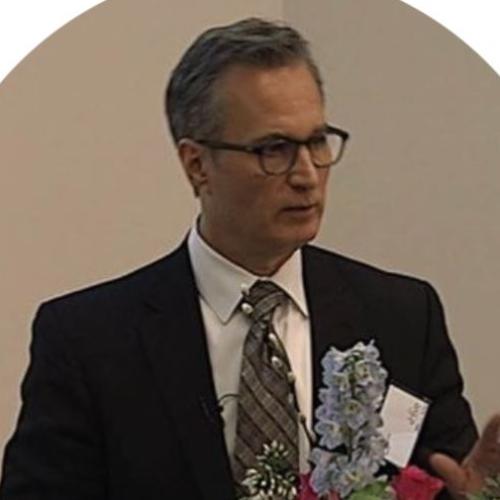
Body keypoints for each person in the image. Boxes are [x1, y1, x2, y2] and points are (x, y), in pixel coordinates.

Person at [0, 17, 498, 500]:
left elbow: (443, 476)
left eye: (316, 142)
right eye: (274, 149)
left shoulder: (402, 319)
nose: (306, 174)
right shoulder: (89, 343)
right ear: (197, 164)